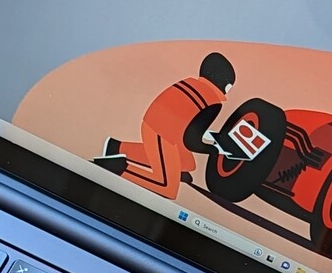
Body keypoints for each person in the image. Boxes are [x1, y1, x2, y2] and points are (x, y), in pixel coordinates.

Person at [97, 52, 236, 192]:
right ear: (224, 84)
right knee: (167, 187)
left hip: (155, 125)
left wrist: (210, 137)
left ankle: (116, 147)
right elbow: (191, 141)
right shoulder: (213, 102)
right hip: (163, 135)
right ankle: (117, 167)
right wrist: (213, 150)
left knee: (186, 162)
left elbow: (188, 121)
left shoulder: (190, 82)